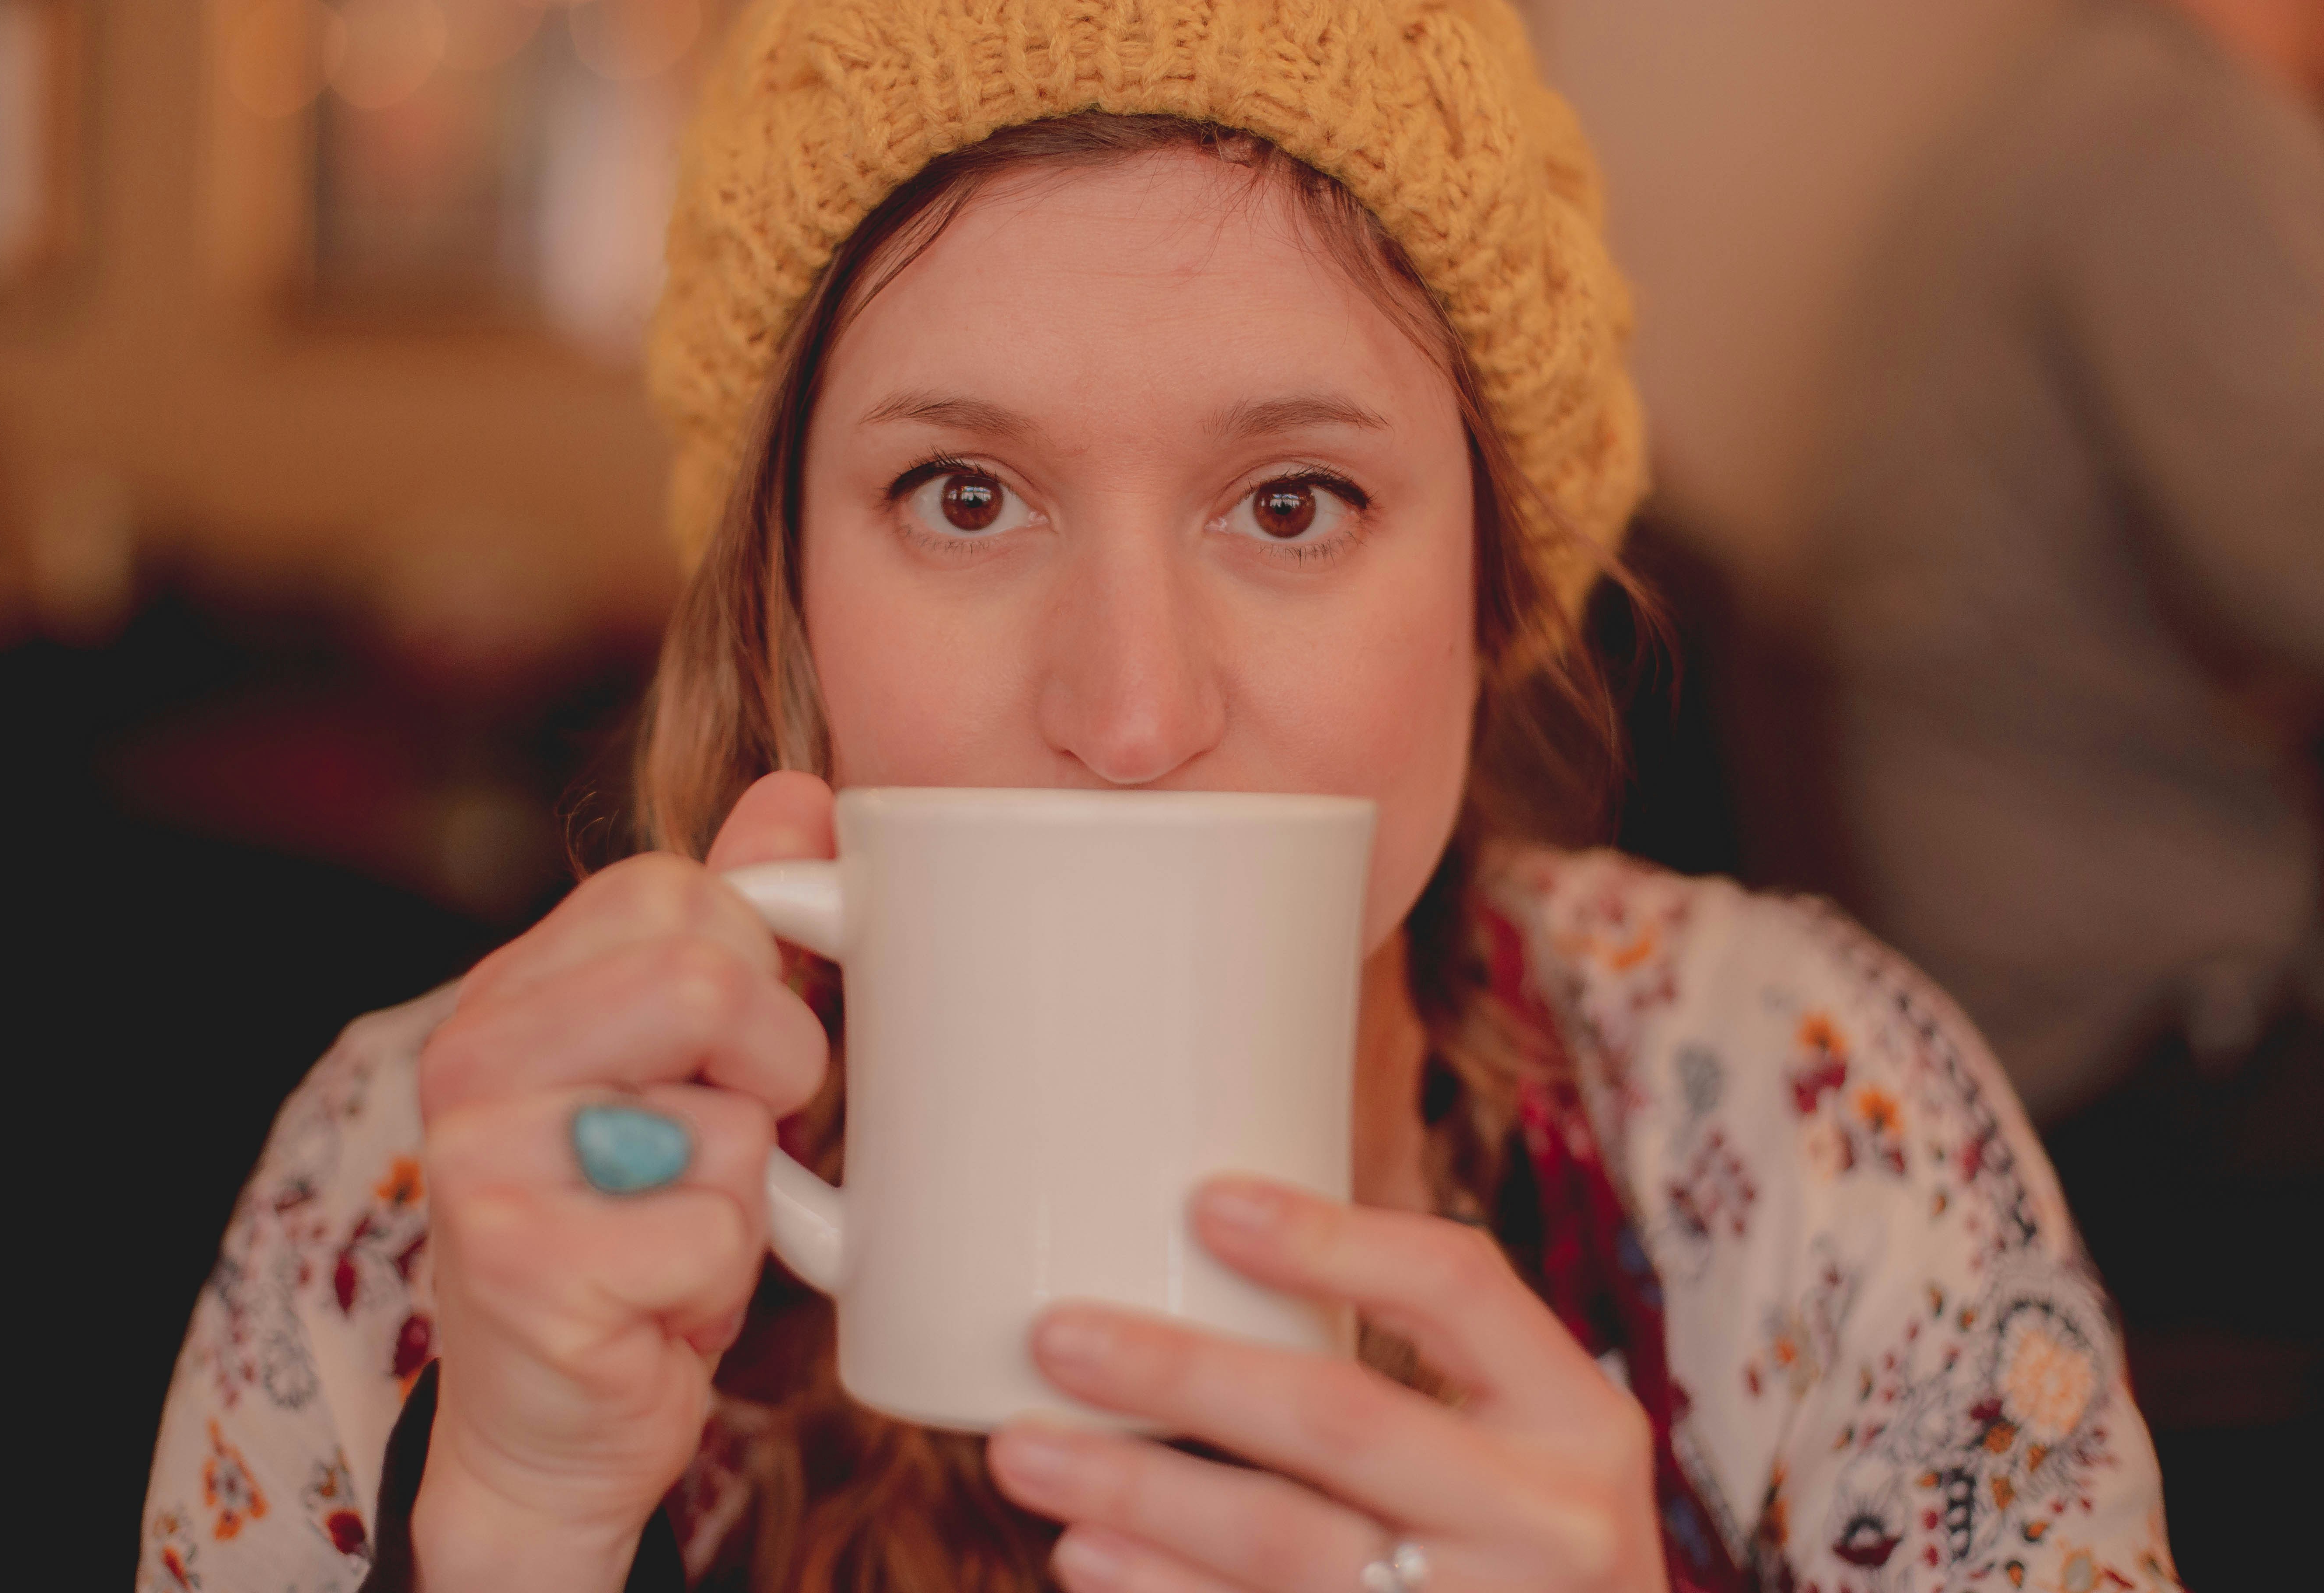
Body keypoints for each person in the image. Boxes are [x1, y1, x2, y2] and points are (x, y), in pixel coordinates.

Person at [139, 3, 2182, 1591]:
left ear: (1488, 587)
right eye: (965, 495)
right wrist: (510, 1524)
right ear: (789, 587)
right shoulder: (422, 1194)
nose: (1130, 713)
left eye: (1295, 502)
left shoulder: (1824, 1135)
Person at [1792, 0, 2324, 1125]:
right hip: (2122, 1011)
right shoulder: (2174, 132)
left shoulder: (2071, 104)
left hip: (2003, 947)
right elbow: (2299, 565)